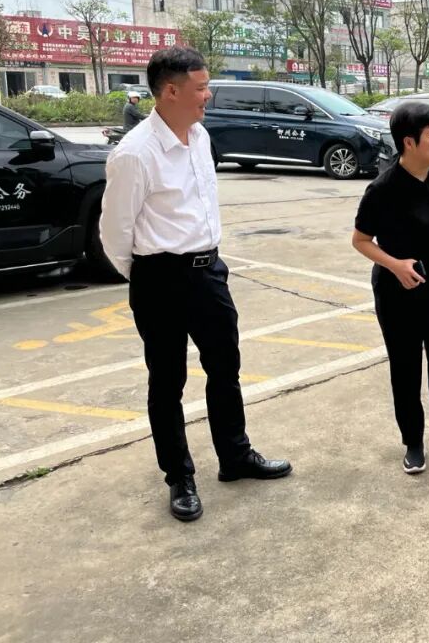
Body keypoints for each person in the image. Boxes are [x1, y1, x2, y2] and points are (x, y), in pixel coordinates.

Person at [100, 46, 291, 523]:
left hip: (209, 271)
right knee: (167, 381)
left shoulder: (200, 136)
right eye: (201, 88)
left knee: (225, 367)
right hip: (159, 277)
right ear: (170, 91)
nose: (208, 96)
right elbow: (114, 232)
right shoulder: (135, 153)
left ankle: (235, 456)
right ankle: (179, 476)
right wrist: (146, 274)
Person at [352, 102, 429, 475]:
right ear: (409, 142)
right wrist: (394, 264)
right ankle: (413, 442)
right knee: (406, 368)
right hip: (399, 294)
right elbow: (360, 240)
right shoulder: (383, 189)